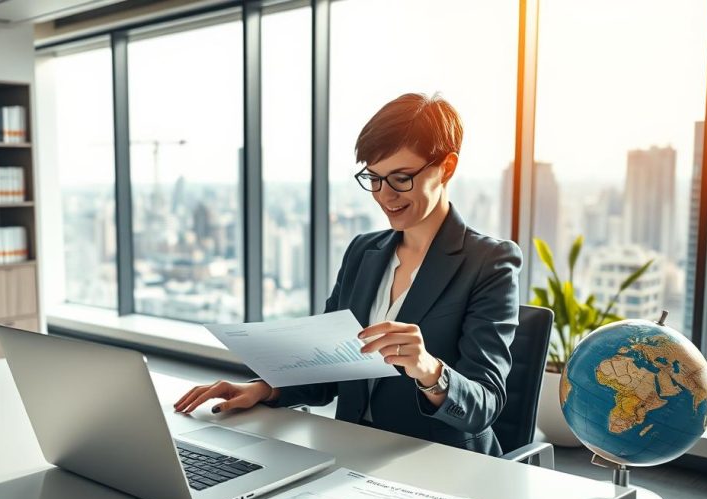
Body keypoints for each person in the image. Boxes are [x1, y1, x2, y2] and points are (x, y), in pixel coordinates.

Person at [174, 93, 522, 456]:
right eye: (374, 178)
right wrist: (264, 389)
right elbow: (326, 370)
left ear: (446, 168)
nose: (385, 195)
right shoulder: (363, 252)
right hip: (351, 450)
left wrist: (431, 370)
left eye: (401, 178)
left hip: (439, 459)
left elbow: (485, 404)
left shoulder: (490, 262)